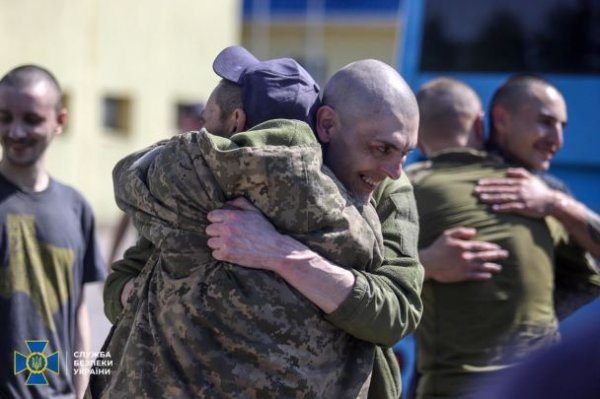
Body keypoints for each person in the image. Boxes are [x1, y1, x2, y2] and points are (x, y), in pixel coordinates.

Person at [102, 47, 424, 399]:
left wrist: (280, 254)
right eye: (382, 149)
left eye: (406, 152)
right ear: (327, 124)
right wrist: (179, 292)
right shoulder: (224, 172)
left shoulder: (387, 190)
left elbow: (396, 313)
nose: (396, 169)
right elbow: (122, 280)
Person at [406, 77, 599, 398]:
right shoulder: (421, 186)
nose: (558, 139)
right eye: (545, 123)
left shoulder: (545, 194)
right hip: (452, 376)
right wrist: (427, 265)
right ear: (496, 120)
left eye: (562, 126)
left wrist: (556, 204)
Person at [0, 65, 106, 398]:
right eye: (4, 117)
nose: (16, 132)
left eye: (31, 119)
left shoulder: (76, 208)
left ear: (60, 122)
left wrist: (80, 391)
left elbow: (78, 313)